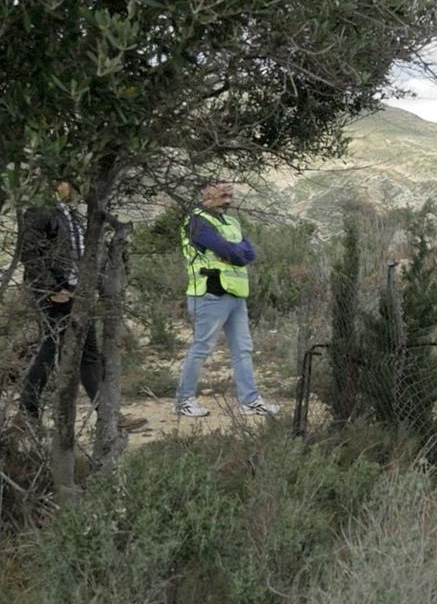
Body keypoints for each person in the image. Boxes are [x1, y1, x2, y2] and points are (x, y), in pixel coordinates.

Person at [17, 181, 148, 432]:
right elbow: (30, 253)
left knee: (87, 353)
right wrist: (53, 288)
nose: (73, 185)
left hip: (76, 292)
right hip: (54, 293)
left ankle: (108, 415)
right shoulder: (40, 211)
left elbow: (81, 253)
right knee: (50, 349)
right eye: (66, 180)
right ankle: (27, 414)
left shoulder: (72, 212)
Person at [174, 182, 279, 417]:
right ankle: (183, 401)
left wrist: (233, 252)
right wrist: (234, 251)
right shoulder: (197, 221)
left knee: (243, 348)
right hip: (210, 292)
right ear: (205, 194)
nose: (228, 200)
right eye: (223, 195)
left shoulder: (231, 222)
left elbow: (247, 253)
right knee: (202, 347)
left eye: (231, 195)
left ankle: (249, 401)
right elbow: (227, 250)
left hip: (235, 293)